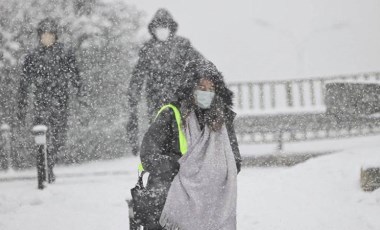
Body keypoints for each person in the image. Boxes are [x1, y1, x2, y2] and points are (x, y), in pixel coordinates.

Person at [139, 59, 241, 230]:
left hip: (211, 201)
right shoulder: (171, 114)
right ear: (190, 88)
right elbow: (149, 155)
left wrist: (210, 172)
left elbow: (234, 159)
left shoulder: (222, 120)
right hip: (172, 196)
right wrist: (178, 168)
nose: (206, 93)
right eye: (201, 88)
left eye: (211, 89)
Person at [126, 8, 202, 156]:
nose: (162, 31)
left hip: (179, 99)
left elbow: (199, 63)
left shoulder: (182, 45)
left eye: (164, 27)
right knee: (160, 134)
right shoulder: (148, 49)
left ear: (170, 28)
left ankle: (181, 161)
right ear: (153, 30)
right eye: (158, 28)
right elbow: (138, 75)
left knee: (180, 133)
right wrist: (133, 95)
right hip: (156, 100)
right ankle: (164, 163)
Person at [17, 18, 82, 188]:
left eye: (50, 35)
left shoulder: (65, 53)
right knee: (42, 139)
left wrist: (80, 95)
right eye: (44, 35)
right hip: (41, 103)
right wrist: (22, 105)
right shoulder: (33, 56)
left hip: (60, 102)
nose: (47, 38)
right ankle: (44, 173)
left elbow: (75, 76)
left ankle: (50, 165)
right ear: (40, 37)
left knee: (58, 139)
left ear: (55, 36)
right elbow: (24, 83)